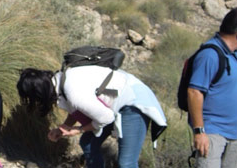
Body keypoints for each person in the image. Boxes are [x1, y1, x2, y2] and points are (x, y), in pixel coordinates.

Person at [17, 66, 167, 168]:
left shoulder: (72, 91)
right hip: (116, 101)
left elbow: (105, 118)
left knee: (126, 162)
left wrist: (78, 129)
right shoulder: (60, 80)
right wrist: (64, 127)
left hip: (133, 102)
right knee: (88, 142)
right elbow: (80, 108)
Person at [187, 8, 237, 168]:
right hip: (212, 133)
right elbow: (194, 92)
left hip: (235, 133)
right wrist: (199, 132)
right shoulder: (210, 55)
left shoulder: (234, 54)